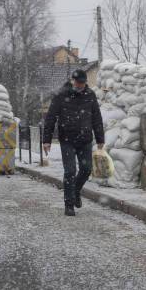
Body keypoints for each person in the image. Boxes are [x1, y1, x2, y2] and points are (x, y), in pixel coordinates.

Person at [42, 69, 104, 216]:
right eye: (77, 82)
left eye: (82, 83)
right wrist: (46, 140)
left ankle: (75, 191)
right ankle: (69, 204)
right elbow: (50, 118)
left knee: (86, 169)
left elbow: (96, 117)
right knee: (70, 171)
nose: (79, 85)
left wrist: (100, 139)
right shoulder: (61, 95)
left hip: (85, 140)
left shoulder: (90, 95)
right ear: (72, 80)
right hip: (67, 140)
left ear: (85, 83)